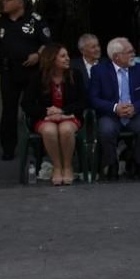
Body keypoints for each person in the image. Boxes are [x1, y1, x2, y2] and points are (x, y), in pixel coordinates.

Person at [0, 0, 51, 160]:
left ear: (20, 2)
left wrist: (38, 55)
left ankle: (41, 145)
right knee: (8, 111)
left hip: (31, 72)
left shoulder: (35, 20)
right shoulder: (0, 21)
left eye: (8, 0)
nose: (4, 3)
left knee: (34, 107)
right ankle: (8, 149)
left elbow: (47, 43)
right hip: (8, 72)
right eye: (4, 0)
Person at [89, 37, 140, 181]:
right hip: (111, 113)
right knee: (106, 131)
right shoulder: (99, 71)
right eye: (129, 52)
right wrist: (114, 107)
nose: (133, 55)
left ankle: (136, 163)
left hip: (134, 112)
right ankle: (112, 164)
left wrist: (135, 107)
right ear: (116, 57)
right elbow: (93, 99)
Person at [22, 43, 86, 186]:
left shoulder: (76, 75)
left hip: (69, 116)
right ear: (51, 59)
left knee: (65, 130)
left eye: (67, 55)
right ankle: (57, 167)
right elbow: (26, 104)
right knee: (50, 130)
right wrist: (46, 112)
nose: (67, 59)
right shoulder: (37, 77)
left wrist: (63, 111)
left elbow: (83, 101)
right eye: (63, 56)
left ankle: (68, 166)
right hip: (45, 118)